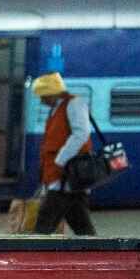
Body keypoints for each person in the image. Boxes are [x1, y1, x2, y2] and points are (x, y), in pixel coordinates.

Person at [30, 72, 97, 236]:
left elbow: (81, 134)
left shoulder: (74, 104)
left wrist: (60, 160)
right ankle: (97, 253)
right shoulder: (57, 107)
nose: (41, 100)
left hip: (67, 174)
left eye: (43, 96)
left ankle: (32, 254)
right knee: (81, 224)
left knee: (44, 222)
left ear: (52, 93)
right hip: (60, 176)